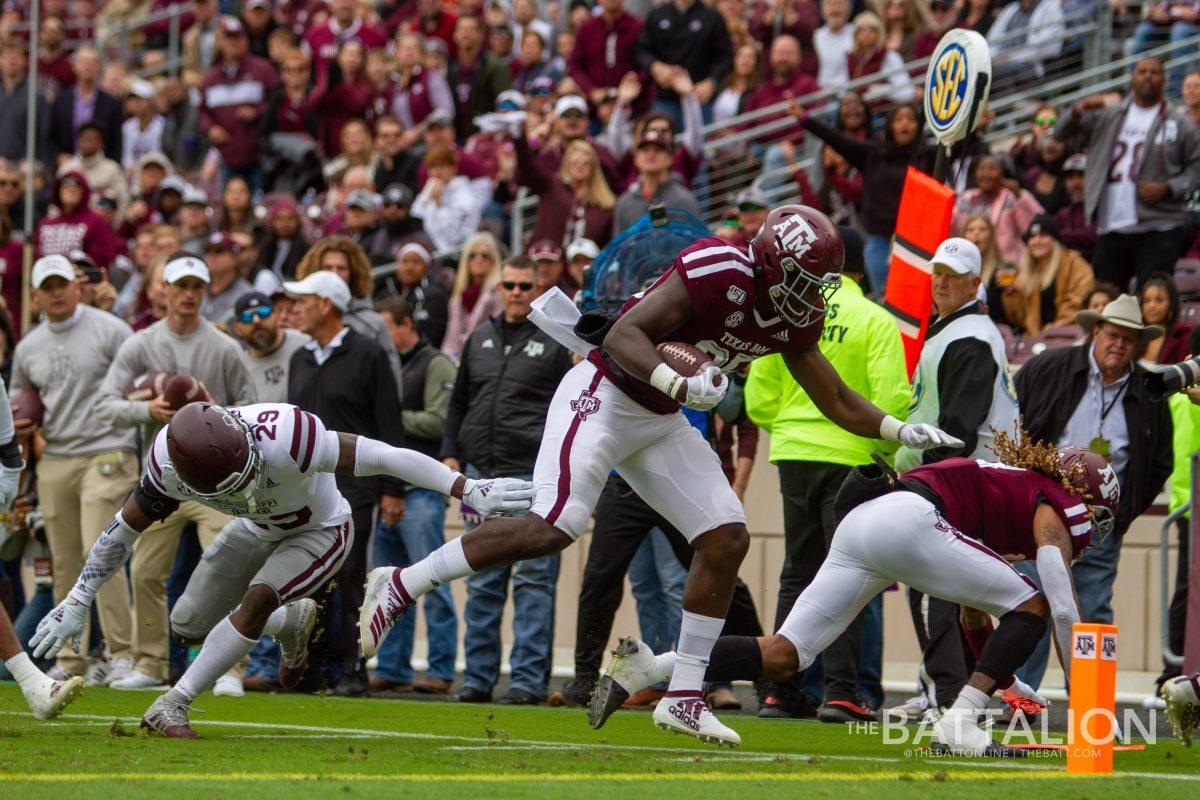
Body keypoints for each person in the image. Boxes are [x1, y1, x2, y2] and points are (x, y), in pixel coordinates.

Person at [361, 206, 961, 746]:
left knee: (727, 537)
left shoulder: (791, 317)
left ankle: (684, 696)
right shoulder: (719, 267)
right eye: (804, 280)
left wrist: (895, 429)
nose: (811, 296)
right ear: (773, 264)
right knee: (556, 524)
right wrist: (675, 382)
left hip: (660, 418)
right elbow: (624, 334)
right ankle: (402, 582)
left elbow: (830, 393)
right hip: (605, 394)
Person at [29, 390, 533, 737]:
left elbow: (380, 455)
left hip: (320, 529)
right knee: (186, 624)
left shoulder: (287, 433)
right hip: (255, 527)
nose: (247, 486)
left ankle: (173, 702)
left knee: (255, 599)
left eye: (248, 472)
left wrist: (466, 487)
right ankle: (291, 622)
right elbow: (122, 530)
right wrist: (78, 598)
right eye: (232, 485)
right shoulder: (165, 469)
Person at [593, 439, 1119, 756]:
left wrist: (1007, 683)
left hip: (866, 522)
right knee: (1033, 603)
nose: (1089, 527)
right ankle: (958, 722)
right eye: (1095, 514)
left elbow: (972, 616)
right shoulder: (1058, 505)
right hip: (908, 518)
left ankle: (652, 667)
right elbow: (1060, 605)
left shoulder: (1012, 488)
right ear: (1085, 499)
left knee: (786, 655)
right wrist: (1089, 702)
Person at [744, 228, 909, 722]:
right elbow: (893, 401)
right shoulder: (875, 320)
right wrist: (878, 452)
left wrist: (791, 428)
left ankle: (780, 690)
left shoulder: (793, 313)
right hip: (853, 458)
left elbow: (758, 395)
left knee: (798, 571)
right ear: (863, 270)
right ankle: (843, 691)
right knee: (850, 573)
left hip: (793, 453)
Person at [94, 254, 257, 690]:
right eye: (181, 286)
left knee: (228, 567)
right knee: (146, 571)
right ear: (164, 288)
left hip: (219, 483)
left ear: (205, 292)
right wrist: (146, 408)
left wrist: (218, 419)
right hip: (162, 477)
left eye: (196, 288)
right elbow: (104, 404)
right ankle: (149, 664)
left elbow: (253, 407)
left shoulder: (224, 347)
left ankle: (228, 668)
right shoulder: (140, 343)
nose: (188, 295)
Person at [1012, 294, 1174, 692]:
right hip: (1045, 513)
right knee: (1034, 604)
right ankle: (1019, 702)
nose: (1119, 344)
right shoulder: (1049, 368)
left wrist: (1124, 515)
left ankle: (1091, 702)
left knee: (1093, 612)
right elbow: (1009, 417)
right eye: (1112, 334)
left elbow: (1160, 463)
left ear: (1138, 344)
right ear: (1096, 332)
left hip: (1102, 525)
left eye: (1129, 339)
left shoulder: (1149, 391)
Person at [440, 257, 573, 704]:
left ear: (536, 288)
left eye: (523, 285)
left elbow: (571, 409)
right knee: (479, 577)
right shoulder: (478, 338)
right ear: (498, 289)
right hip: (479, 478)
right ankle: (477, 679)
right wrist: (451, 455)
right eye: (509, 285)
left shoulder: (556, 341)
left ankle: (527, 682)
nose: (516, 292)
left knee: (534, 582)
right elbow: (458, 403)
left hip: (534, 480)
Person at [10, 255, 138, 683]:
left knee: (100, 553)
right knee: (63, 562)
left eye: (62, 283)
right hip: (56, 456)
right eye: (47, 287)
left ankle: (122, 653)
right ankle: (70, 658)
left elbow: (137, 382)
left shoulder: (111, 329)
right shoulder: (28, 346)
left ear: (78, 287)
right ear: (35, 296)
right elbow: (16, 402)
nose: (57, 292)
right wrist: (22, 423)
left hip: (107, 450)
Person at [285, 271, 405, 696]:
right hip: (308, 488)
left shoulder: (368, 353)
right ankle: (312, 672)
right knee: (309, 580)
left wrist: (393, 488)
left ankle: (355, 672)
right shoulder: (299, 357)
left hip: (355, 486)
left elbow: (389, 424)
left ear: (327, 304)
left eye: (303, 300)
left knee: (351, 577)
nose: (294, 307)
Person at [369, 298, 459, 694]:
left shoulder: (435, 363)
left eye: (385, 326)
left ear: (406, 324)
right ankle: (392, 666)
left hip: (421, 491)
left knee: (433, 580)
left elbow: (439, 420)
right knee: (387, 584)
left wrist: (384, 416)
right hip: (386, 488)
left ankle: (440, 668)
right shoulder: (385, 363)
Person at [1054, 57, 1200, 290]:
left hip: (1159, 226)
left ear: (1164, 80)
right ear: (1132, 78)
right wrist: (1079, 109)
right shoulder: (1110, 114)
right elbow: (1060, 134)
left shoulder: (1179, 122)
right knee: (1108, 303)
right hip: (1111, 224)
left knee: (1152, 302)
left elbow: (1196, 168)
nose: (1148, 76)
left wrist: (1169, 187)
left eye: (1155, 72)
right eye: (1142, 71)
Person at [795, 102, 934, 293]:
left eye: (910, 120)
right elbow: (837, 139)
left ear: (919, 126)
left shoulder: (929, 155)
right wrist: (805, 120)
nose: (905, 125)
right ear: (890, 126)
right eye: (899, 119)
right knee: (883, 297)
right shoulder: (873, 154)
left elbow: (959, 144)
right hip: (880, 242)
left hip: (916, 241)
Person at [199, 17, 280, 190]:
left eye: (238, 38)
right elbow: (203, 111)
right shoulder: (211, 77)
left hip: (258, 155)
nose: (233, 43)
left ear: (246, 41)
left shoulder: (263, 69)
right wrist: (211, 128)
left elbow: (278, 101)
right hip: (227, 155)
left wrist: (257, 112)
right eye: (229, 38)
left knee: (259, 207)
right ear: (220, 42)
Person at [636, 0, 732, 129]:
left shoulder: (712, 16)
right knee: (661, 143)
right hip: (665, 97)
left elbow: (725, 57)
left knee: (698, 145)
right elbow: (642, 50)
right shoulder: (657, 14)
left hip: (698, 97)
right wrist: (655, 66)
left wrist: (712, 82)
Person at [517, 134, 616, 250]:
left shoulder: (605, 205)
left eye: (585, 162)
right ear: (567, 164)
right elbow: (527, 167)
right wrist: (523, 139)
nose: (580, 166)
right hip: (545, 260)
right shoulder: (552, 187)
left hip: (582, 264)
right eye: (575, 162)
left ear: (593, 167)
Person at [1000, 215, 1094, 335]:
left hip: (1069, 335)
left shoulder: (1073, 263)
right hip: (1036, 340)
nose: (1037, 241)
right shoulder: (1024, 273)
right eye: (1032, 237)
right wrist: (1010, 292)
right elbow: (1019, 317)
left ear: (1055, 240)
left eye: (1043, 235)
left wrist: (1054, 329)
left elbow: (1079, 301)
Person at [952, 155, 1044, 265]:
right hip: (973, 264)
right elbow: (952, 227)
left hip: (1008, 265)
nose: (986, 173)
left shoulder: (1011, 196)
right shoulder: (966, 198)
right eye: (981, 169)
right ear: (975, 174)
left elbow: (1034, 225)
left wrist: (1020, 196)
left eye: (992, 169)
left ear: (1002, 174)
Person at [611, 129, 700, 235]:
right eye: (645, 150)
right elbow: (619, 248)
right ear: (636, 159)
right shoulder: (624, 203)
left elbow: (695, 243)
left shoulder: (683, 199)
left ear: (669, 159)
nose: (651, 154)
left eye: (658, 150)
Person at [229, 290, 309, 403]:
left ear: (276, 315)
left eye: (263, 313)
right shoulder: (239, 368)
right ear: (237, 328)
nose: (256, 321)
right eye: (247, 317)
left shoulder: (305, 344)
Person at [49, 47, 123, 164]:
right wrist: (59, 156)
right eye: (84, 61)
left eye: (93, 62)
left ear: (99, 68)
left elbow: (116, 142)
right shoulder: (61, 100)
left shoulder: (112, 103)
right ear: (75, 66)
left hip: (101, 167)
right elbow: (51, 136)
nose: (88, 66)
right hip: (68, 164)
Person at [568, 0, 643, 111]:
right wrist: (592, 91)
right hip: (595, 108)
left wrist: (633, 85)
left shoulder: (637, 27)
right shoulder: (587, 30)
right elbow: (575, 65)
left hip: (633, 105)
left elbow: (646, 63)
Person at [34, 172, 121, 268]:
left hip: (83, 279)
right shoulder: (45, 224)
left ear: (85, 191)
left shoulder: (97, 222)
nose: (71, 188)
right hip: (48, 279)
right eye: (65, 182)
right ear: (58, 189)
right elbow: (36, 257)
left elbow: (103, 259)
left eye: (78, 184)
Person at [448, 15, 513, 140]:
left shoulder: (496, 66)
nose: (465, 33)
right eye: (461, 29)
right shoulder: (450, 68)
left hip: (487, 136)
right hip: (456, 137)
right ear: (454, 35)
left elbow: (506, 102)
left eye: (470, 29)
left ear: (481, 35)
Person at [442, 232, 505, 361]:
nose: (478, 259)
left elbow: (500, 331)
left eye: (485, 255)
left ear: (493, 259)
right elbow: (452, 337)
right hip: (459, 359)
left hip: (487, 357)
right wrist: (448, 361)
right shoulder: (458, 297)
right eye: (472, 255)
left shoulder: (499, 291)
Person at [986, 0, 1065, 88]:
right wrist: (994, 57)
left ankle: (1008, 101)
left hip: (1030, 65)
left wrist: (1010, 57)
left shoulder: (1051, 8)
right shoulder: (1011, 8)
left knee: (997, 70)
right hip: (1000, 60)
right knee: (983, 67)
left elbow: (1048, 48)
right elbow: (993, 38)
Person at [1138, 272, 1193, 366]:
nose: (1152, 306)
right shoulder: (1134, 335)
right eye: (1146, 300)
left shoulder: (1184, 337)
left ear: (1171, 303)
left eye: (1159, 300)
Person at [201, 233, 254, 323]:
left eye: (219, 251)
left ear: (235, 257)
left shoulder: (246, 294)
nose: (212, 256)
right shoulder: (197, 287)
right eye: (208, 251)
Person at [1054, 153, 1096, 264]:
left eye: (1081, 176)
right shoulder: (1063, 214)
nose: (1076, 183)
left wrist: (1062, 235)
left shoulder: (1102, 206)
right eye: (1070, 178)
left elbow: (1096, 235)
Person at [814, 0, 855, 88]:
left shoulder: (857, 34)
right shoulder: (815, 37)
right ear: (822, 10)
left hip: (849, 94)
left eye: (840, 4)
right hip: (821, 95)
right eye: (830, 4)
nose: (835, 9)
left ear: (849, 9)